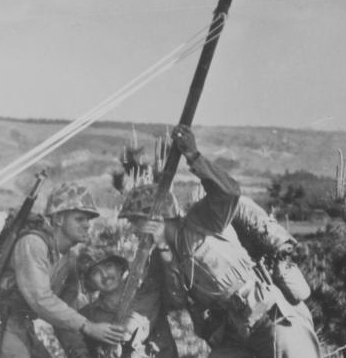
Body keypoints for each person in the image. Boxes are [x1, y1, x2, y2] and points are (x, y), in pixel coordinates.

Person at [118, 125, 321, 358]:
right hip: (235, 337)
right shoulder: (159, 257)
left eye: (135, 222)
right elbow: (159, 302)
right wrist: (122, 335)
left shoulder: (202, 220)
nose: (132, 231)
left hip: (273, 320)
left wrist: (193, 156)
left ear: (157, 216)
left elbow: (229, 193)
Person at [0, 182, 125, 358]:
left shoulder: (69, 259)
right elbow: (40, 298)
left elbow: (66, 315)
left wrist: (81, 354)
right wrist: (88, 326)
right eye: (79, 219)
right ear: (58, 219)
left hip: (22, 326)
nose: (87, 225)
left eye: (88, 220)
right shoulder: (33, 244)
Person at [57, 245, 186, 358]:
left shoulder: (149, 292)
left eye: (108, 266)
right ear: (90, 283)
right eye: (95, 272)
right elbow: (70, 337)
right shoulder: (86, 317)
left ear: (120, 268)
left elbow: (176, 292)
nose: (105, 274)